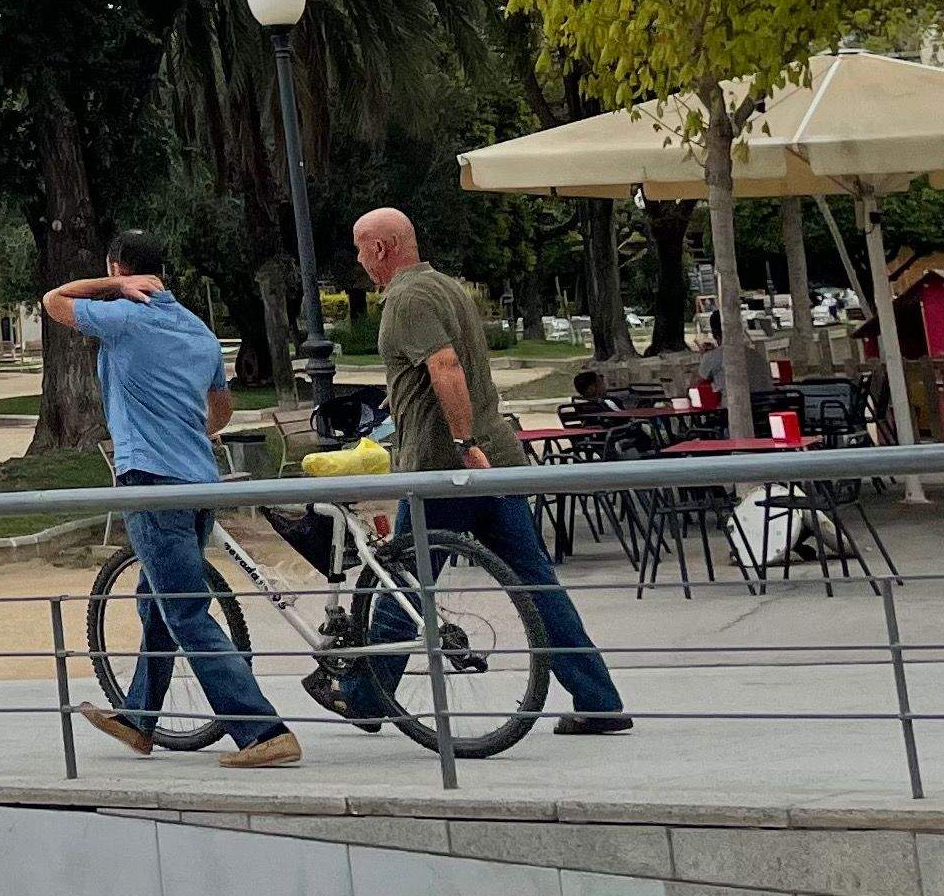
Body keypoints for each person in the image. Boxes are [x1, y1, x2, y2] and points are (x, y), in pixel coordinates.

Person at [354, 207, 630, 735]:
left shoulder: (407, 299)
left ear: (381, 249)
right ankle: (598, 699)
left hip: (445, 468)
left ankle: (365, 698)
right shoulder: (448, 288)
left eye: (360, 248)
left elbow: (445, 366)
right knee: (535, 583)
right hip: (496, 461)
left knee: (405, 584)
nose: (359, 260)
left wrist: (463, 442)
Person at [43, 234, 299, 770]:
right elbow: (221, 408)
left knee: (184, 610)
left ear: (120, 268)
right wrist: (189, 434)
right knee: (159, 601)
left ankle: (263, 731)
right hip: (198, 482)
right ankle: (139, 719)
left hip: (151, 483)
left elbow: (54, 301)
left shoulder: (124, 318)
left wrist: (112, 286)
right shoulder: (198, 330)